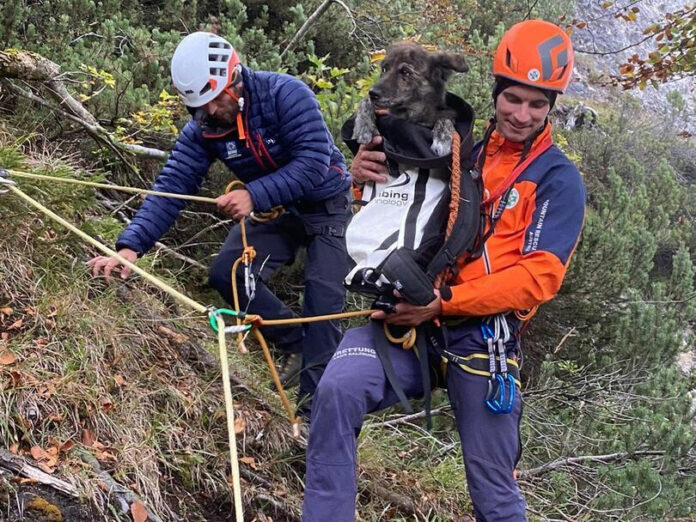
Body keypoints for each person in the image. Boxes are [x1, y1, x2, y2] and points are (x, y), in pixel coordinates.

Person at [302, 19, 586, 521]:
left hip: (483, 340)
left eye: (537, 104)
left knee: (494, 492)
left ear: (551, 108)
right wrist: (362, 178)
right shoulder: (459, 149)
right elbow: (397, 206)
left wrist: (446, 303)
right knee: (338, 389)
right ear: (497, 92)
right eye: (513, 99)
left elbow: (539, 278)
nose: (521, 114)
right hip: (416, 320)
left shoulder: (557, 179)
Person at [87, 32, 351, 415]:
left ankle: (315, 419)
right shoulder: (203, 129)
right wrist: (129, 249)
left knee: (323, 306)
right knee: (228, 272)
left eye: (215, 100)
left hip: (326, 206)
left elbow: (312, 163)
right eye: (201, 106)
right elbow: (172, 187)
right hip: (276, 213)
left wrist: (254, 195)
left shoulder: (286, 95)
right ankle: (295, 341)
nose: (210, 112)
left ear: (234, 79)